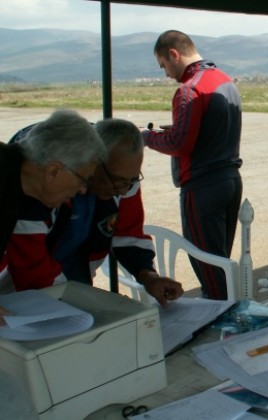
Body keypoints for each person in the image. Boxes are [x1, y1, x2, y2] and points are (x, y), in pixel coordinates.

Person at [5, 119, 184, 307]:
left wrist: (148, 276)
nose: (124, 190)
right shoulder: (39, 184)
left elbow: (128, 234)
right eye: (118, 181)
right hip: (24, 287)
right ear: (92, 164)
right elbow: (33, 270)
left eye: (132, 181)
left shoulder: (123, 175)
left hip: (76, 268)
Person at [143, 30, 243, 300]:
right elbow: (210, 130)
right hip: (230, 180)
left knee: (209, 269)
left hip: (203, 186)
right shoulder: (224, 81)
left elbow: (178, 144)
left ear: (174, 54)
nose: (166, 73)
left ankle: (225, 323)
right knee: (220, 261)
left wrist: (147, 137)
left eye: (164, 65)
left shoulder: (190, 89)